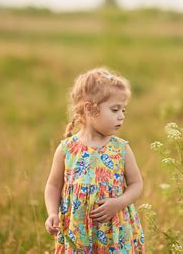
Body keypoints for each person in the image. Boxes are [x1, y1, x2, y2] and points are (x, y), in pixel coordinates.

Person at [44, 67, 145, 253]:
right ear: (90, 109)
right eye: (115, 110)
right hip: (78, 232)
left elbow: (136, 184)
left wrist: (119, 202)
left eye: (123, 110)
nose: (121, 116)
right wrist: (52, 213)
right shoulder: (66, 149)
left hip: (114, 232)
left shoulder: (121, 149)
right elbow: (53, 186)